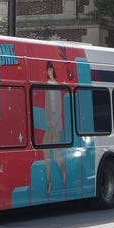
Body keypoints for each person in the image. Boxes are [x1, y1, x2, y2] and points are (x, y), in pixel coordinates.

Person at [44, 61, 67, 194]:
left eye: (50, 69)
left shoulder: (57, 86)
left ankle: (63, 173)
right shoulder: (46, 86)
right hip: (49, 123)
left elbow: (59, 108)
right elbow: (47, 106)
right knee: (45, 151)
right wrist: (48, 120)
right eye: (47, 70)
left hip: (56, 124)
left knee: (56, 152)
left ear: (52, 69)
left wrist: (54, 120)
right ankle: (49, 182)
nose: (48, 72)